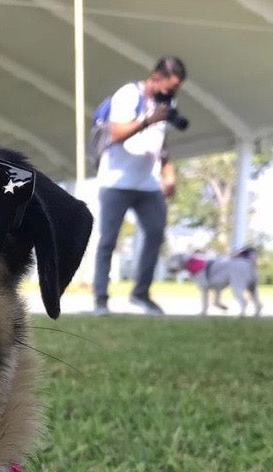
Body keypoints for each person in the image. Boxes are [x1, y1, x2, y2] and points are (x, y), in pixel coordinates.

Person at [92, 56, 187, 316]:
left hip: (147, 183)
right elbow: (117, 134)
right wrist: (148, 119)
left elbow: (161, 143)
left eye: (175, 89)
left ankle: (141, 294)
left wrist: (168, 173)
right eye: (169, 87)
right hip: (116, 181)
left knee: (156, 232)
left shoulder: (167, 104)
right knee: (108, 240)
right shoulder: (127, 94)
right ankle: (101, 299)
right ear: (156, 77)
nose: (170, 93)